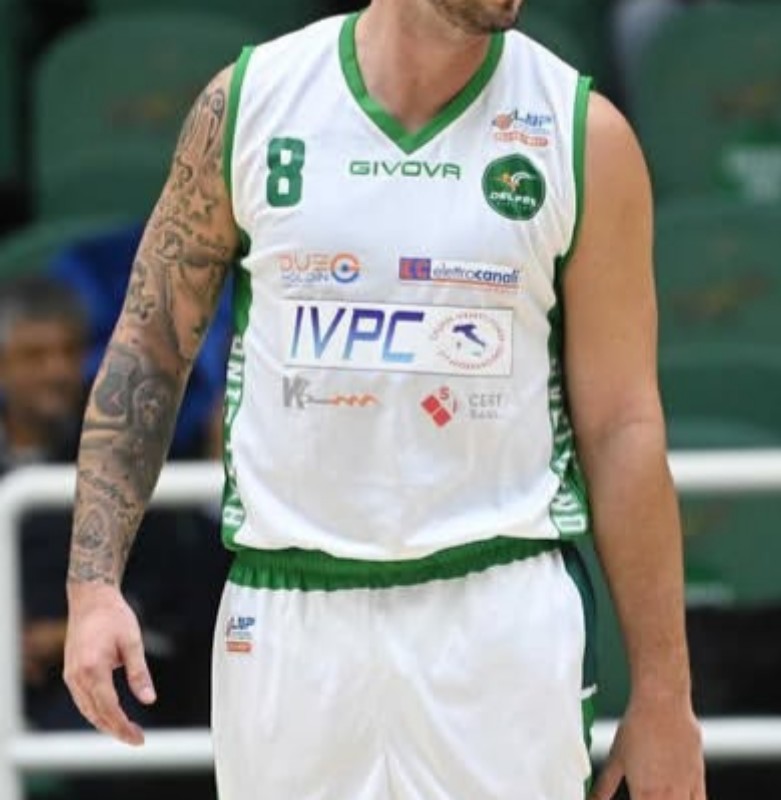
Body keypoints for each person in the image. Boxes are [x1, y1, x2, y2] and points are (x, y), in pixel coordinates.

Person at [63, 1, 706, 798]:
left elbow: (622, 426)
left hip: (498, 612)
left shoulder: (584, 134)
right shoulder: (251, 102)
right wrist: (92, 584)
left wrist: (664, 694)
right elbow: (149, 349)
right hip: (288, 617)